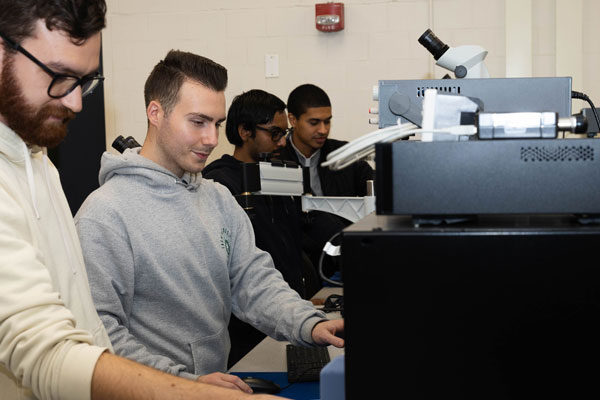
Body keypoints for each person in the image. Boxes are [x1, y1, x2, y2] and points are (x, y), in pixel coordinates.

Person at [0, 1, 282, 399]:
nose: (76, 103)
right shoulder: (103, 210)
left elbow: (85, 331)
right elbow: (45, 350)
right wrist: (193, 389)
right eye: (60, 76)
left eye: (84, 82)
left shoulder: (39, 164)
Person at [74, 50, 344, 382]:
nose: (212, 140)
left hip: (214, 385)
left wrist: (310, 323)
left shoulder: (217, 198)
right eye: (198, 122)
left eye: (216, 124)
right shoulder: (105, 214)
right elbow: (100, 333)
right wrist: (185, 384)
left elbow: (252, 282)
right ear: (155, 112)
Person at [203, 89, 321, 367]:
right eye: (274, 133)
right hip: (246, 332)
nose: (282, 142)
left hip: (284, 317)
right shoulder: (220, 184)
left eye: (285, 133)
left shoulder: (280, 176)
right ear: (245, 131)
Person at [278, 83, 374, 279]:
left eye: (327, 121)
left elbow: (376, 188)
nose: (323, 130)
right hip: (297, 262)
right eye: (314, 122)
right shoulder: (275, 160)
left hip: (345, 258)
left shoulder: (345, 155)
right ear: (293, 119)